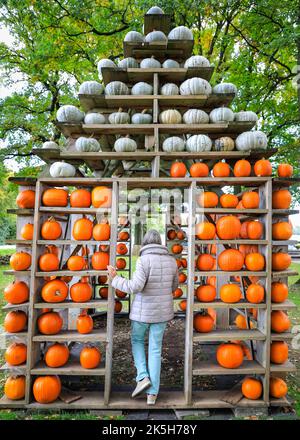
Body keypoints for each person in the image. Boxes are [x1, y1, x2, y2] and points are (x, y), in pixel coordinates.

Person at [107, 229, 179, 405]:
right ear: (160, 242)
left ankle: (142, 377)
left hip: (142, 313)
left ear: (145, 243)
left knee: (137, 341)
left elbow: (135, 287)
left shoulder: (143, 260)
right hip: (162, 313)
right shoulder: (172, 261)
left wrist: (115, 279)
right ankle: (152, 394)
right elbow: (174, 286)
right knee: (155, 349)